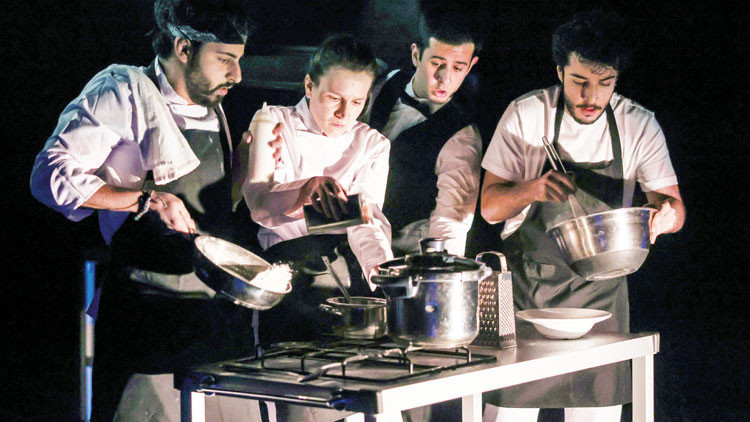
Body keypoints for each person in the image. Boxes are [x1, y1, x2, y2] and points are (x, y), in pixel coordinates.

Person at [29, 0, 279, 420]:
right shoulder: (122, 91)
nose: (237, 74)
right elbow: (48, 175)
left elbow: (211, 211)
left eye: (238, 60)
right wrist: (142, 198)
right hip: (146, 315)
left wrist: (243, 167)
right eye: (225, 60)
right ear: (183, 48)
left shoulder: (213, 104)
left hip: (211, 314)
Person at [480, 11, 686, 422]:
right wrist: (533, 189)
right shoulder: (526, 114)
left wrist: (665, 216)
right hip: (530, 296)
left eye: (605, 83)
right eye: (579, 82)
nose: (592, 96)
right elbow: (489, 208)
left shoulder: (638, 124)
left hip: (602, 299)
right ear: (559, 71)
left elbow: (675, 208)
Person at [242, 34, 392, 342]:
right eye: (334, 98)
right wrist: (306, 190)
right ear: (310, 86)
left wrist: (382, 270)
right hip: (283, 271)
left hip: (343, 275)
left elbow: (366, 219)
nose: (344, 114)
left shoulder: (372, 144)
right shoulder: (273, 121)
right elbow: (259, 204)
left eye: (357, 102)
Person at [362, 5, 482, 257]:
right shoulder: (385, 82)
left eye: (458, 68)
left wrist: (439, 270)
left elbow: (451, 222)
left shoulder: (462, 136)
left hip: (405, 251)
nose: (445, 78)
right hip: (351, 230)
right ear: (416, 55)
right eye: (436, 63)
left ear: (471, 66)